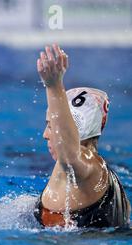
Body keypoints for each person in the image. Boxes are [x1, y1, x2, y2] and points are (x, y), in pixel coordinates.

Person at [34, 44, 130, 228]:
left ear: (75, 128)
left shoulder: (86, 166)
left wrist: (54, 87)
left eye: (51, 125)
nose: (45, 134)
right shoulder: (109, 180)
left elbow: (70, 157)